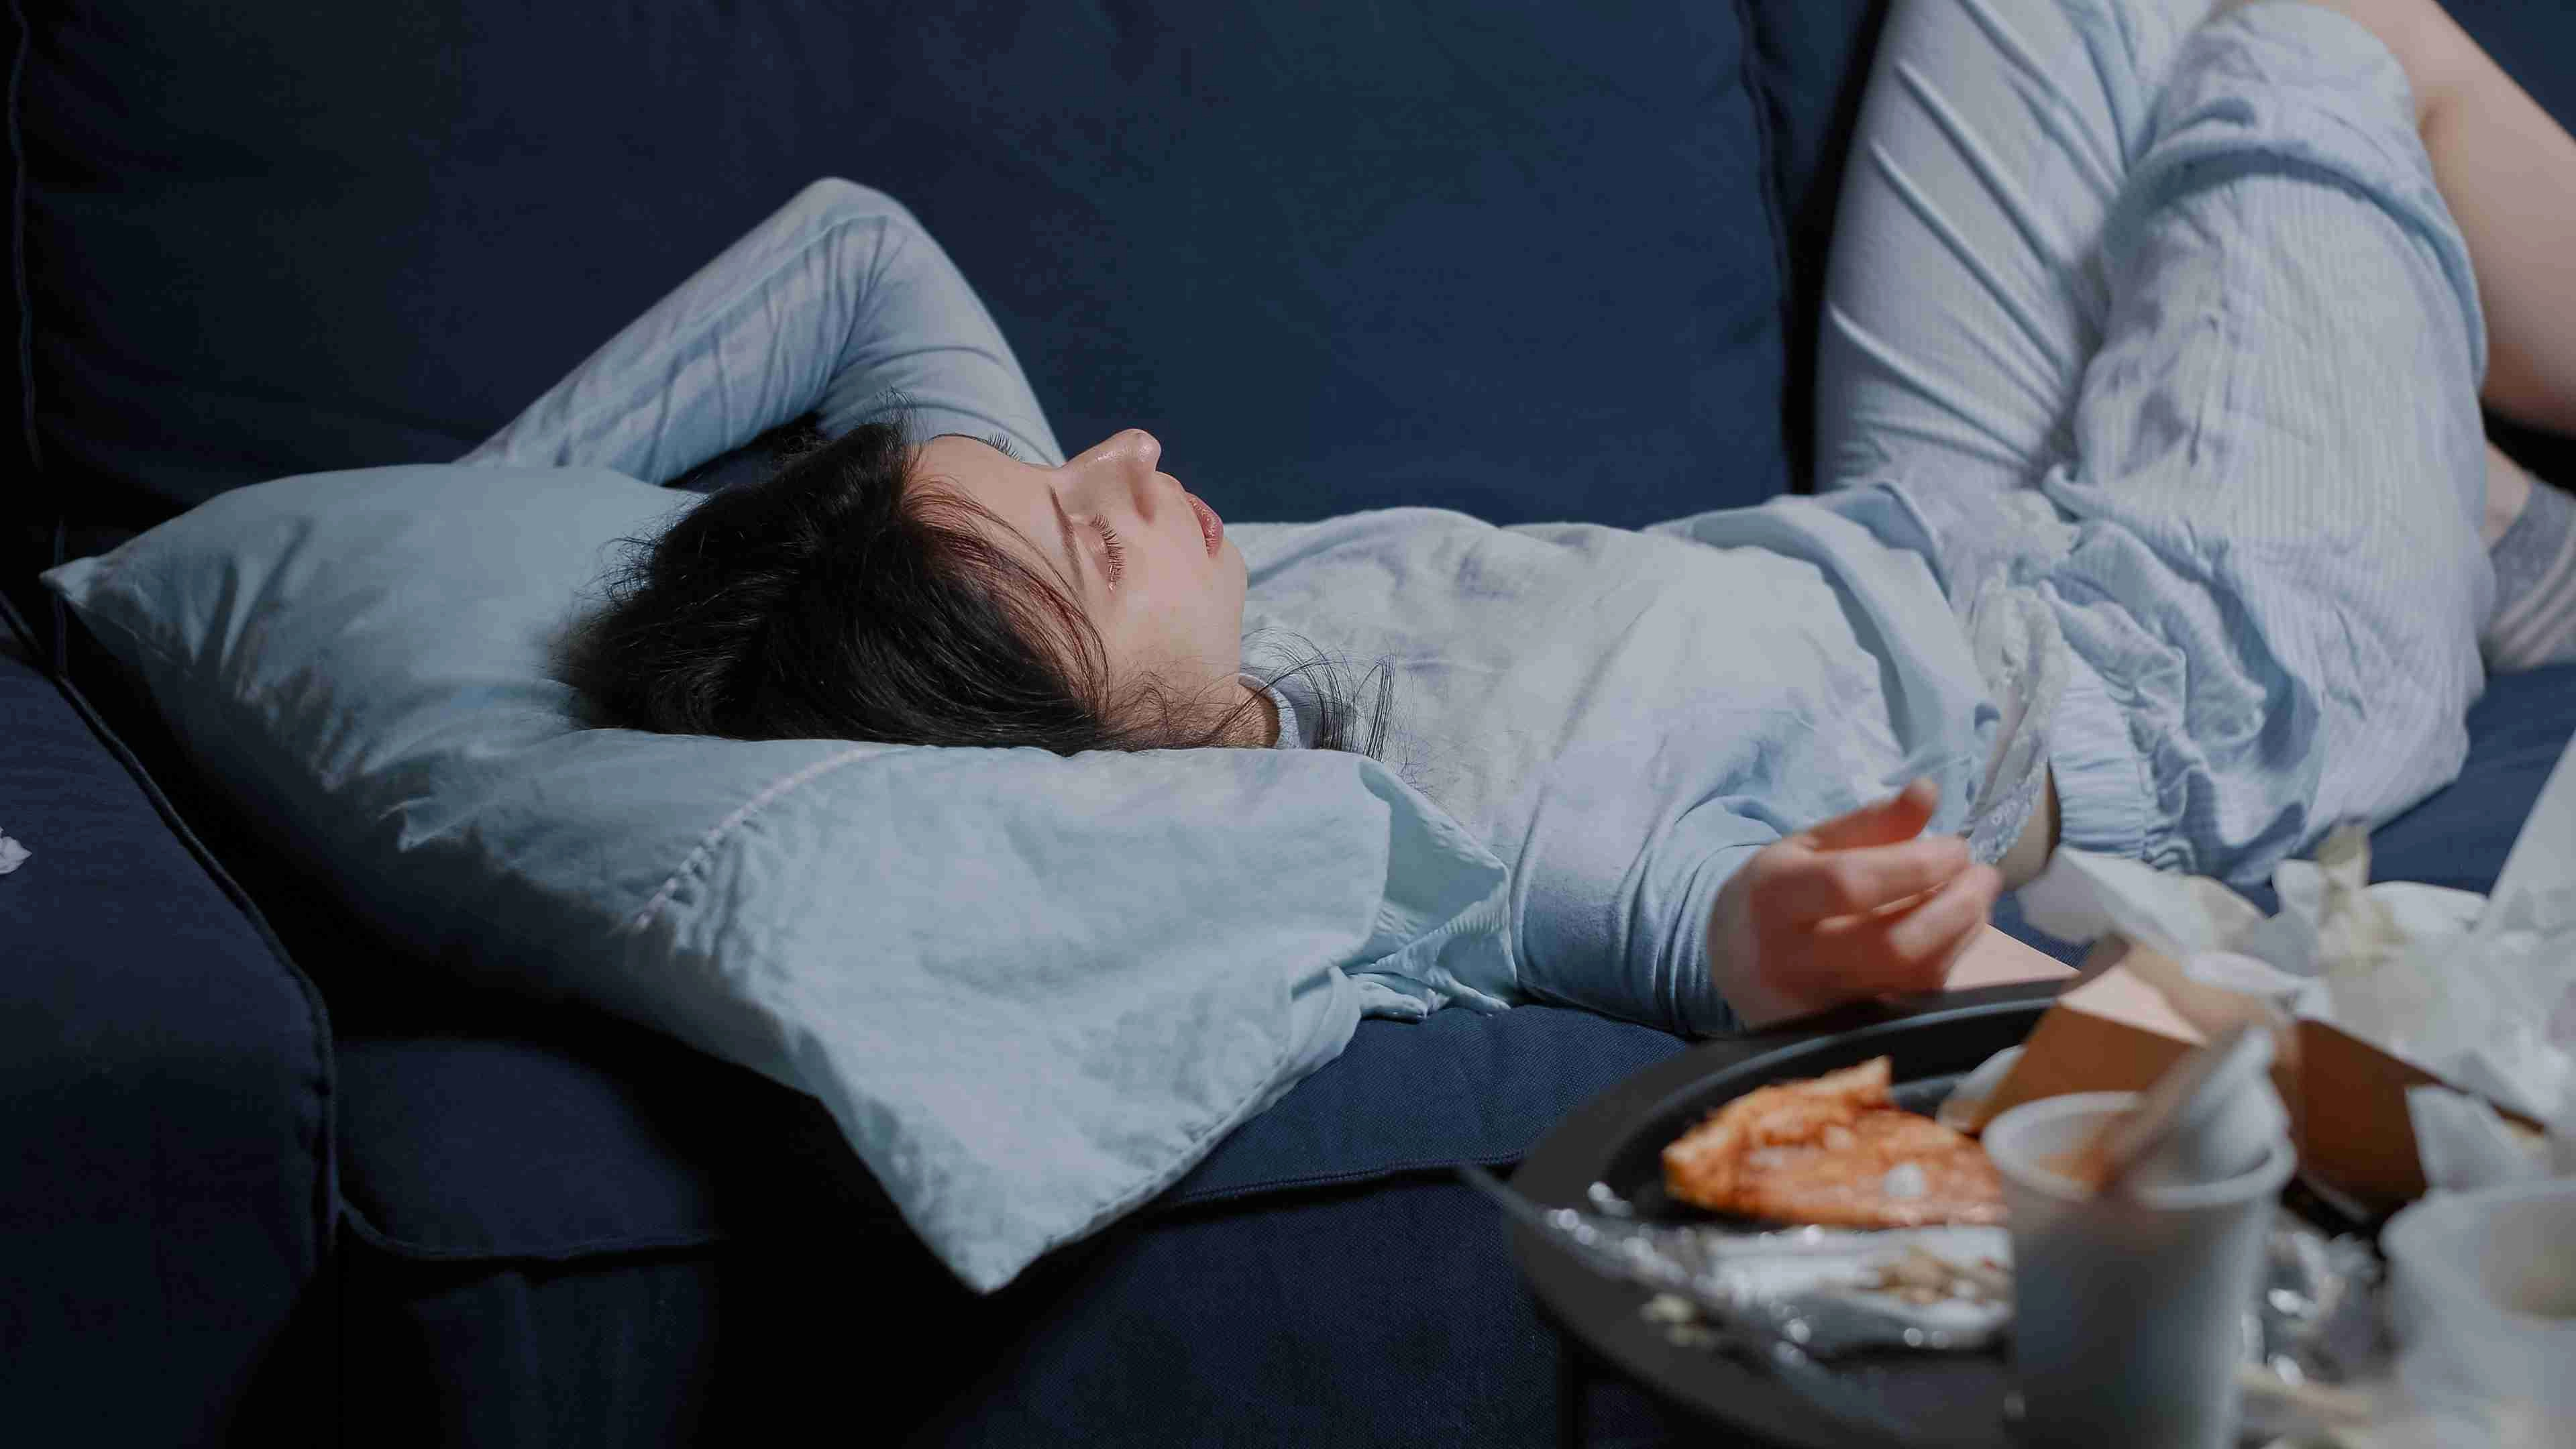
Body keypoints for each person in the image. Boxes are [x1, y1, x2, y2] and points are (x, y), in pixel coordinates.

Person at [466, 0, 2576, 1035]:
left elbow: (859, 261)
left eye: (1050, 471)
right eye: (1084, 531)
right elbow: (1674, 920)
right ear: (1067, 774)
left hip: (1935, 546)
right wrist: (1801, 943)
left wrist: (462, 524)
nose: (1115, 459)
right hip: (2200, 663)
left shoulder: (1124, 630)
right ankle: (2434, 538)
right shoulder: (1386, 840)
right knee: (2305, 33)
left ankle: (2461, 500)